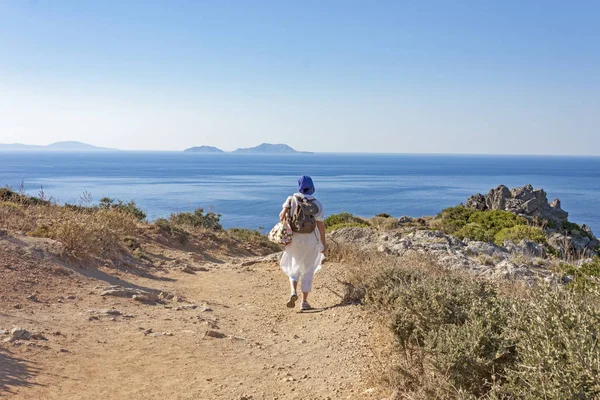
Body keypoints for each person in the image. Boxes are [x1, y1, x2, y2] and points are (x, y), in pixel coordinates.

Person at [278, 175, 326, 310]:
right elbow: (320, 226)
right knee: (308, 269)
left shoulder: (291, 199)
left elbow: (282, 217)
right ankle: (304, 302)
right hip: (311, 239)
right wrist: (323, 244)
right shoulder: (317, 203)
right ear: (312, 187)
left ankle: (293, 291)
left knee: (294, 265)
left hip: (294, 239)